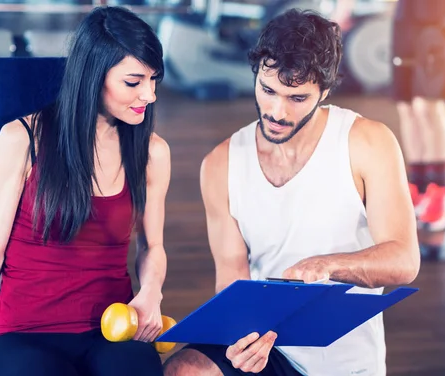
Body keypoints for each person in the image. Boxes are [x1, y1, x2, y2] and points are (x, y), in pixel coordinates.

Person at [163, 9, 420, 376]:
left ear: (325, 91)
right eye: (268, 90)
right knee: (184, 369)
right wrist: (241, 339)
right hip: (272, 349)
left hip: (346, 362)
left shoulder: (367, 142)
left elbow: (404, 261)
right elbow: (232, 280)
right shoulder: (220, 164)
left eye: (297, 98)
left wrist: (327, 265)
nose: (277, 111)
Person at [0, 6, 171, 376]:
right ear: (92, 77)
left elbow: (152, 246)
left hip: (111, 329)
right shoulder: (22, 140)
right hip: (26, 331)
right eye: (134, 82)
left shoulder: (152, 151)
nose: (149, 95)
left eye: (154, 80)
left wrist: (151, 291)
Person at [392, 0, 445, 232]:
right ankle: (419, 186)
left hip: (441, 13)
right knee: (406, 107)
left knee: (427, 105)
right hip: (406, 15)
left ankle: (440, 188)